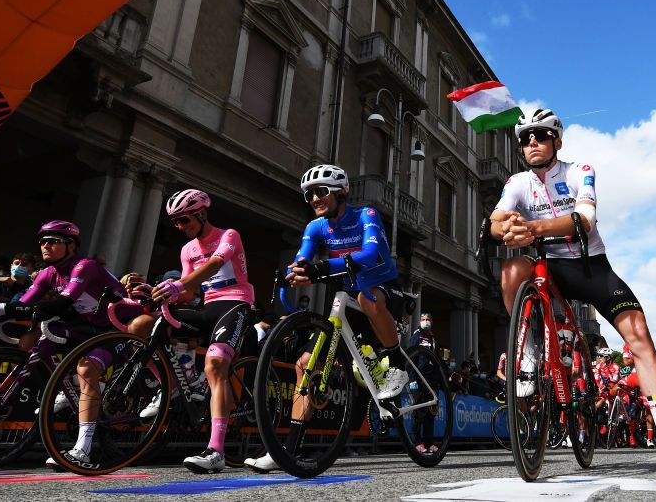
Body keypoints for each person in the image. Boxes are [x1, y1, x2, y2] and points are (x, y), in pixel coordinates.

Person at [490, 109, 656, 476]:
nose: (531, 141)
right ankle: (530, 353)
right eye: (524, 138)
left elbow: (585, 219)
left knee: (639, 334)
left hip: (589, 265)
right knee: (512, 269)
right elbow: (496, 221)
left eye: (540, 134)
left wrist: (531, 227)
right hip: (547, 266)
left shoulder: (579, 170)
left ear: (557, 142)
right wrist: (507, 230)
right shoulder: (518, 182)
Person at [246, 164, 408, 473]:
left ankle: (397, 364)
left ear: (341, 192)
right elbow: (303, 256)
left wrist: (321, 268)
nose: (315, 198)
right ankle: (287, 450)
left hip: (381, 287)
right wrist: (294, 272)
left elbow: (371, 255)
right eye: (309, 194)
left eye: (322, 192)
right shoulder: (316, 226)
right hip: (344, 299)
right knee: (305, 365)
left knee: (367, 296)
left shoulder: (365, 215)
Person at [0, 220, 155, 468]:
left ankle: (83, 450)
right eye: (42, 241)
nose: (45, 246)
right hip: (87, 325)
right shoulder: (47, 273)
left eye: (53, 241)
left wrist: (2, 309)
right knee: (38, 343)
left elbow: (60, 305)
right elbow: (25, 303)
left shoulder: (84, 266)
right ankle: (70, 390)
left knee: (87, 368)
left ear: (70, 246)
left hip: (118, 326)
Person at [150, 189, 259, 474]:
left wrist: (180, 285)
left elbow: (214, 264)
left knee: (215, 365)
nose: (180, 227)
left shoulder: (228, 236)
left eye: (184, 220)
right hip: (207, 306)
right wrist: (160, 293)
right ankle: (169, 388)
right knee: (147, 326)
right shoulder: (187, 250)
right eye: (175, 222)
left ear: (201, 214)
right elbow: (188, 291)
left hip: (235, 303)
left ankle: (216, 451)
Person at [407, 312, 440, 454]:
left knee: (431, 412)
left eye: (428, 319)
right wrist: (412, 379)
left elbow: (437, 358)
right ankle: (416, 442)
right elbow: (410, 358)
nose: (425, 321)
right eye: (423, 319)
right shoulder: (416, 336)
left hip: (432, 380)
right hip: (418, 379)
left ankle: (429, 442)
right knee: (418, 412)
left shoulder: (433, 338)